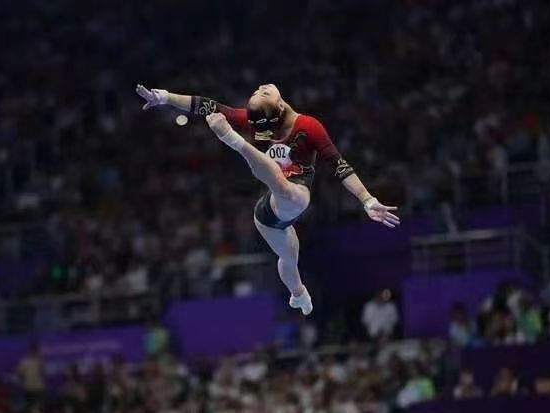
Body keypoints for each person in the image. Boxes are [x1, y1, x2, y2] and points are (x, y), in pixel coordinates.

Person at [136, 84, 400, 315]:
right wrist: (166, 98)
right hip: (271, 210)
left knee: (289, 260)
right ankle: (232, 140)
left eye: (261, 92)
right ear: (280, 105)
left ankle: (298, 295)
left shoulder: (309, 127)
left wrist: (367, 199)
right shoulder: (258, 122)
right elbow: (205, 105)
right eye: (260, 93)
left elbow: (339, 165)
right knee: (289, 191)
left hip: (281, 213)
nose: (261, 88)